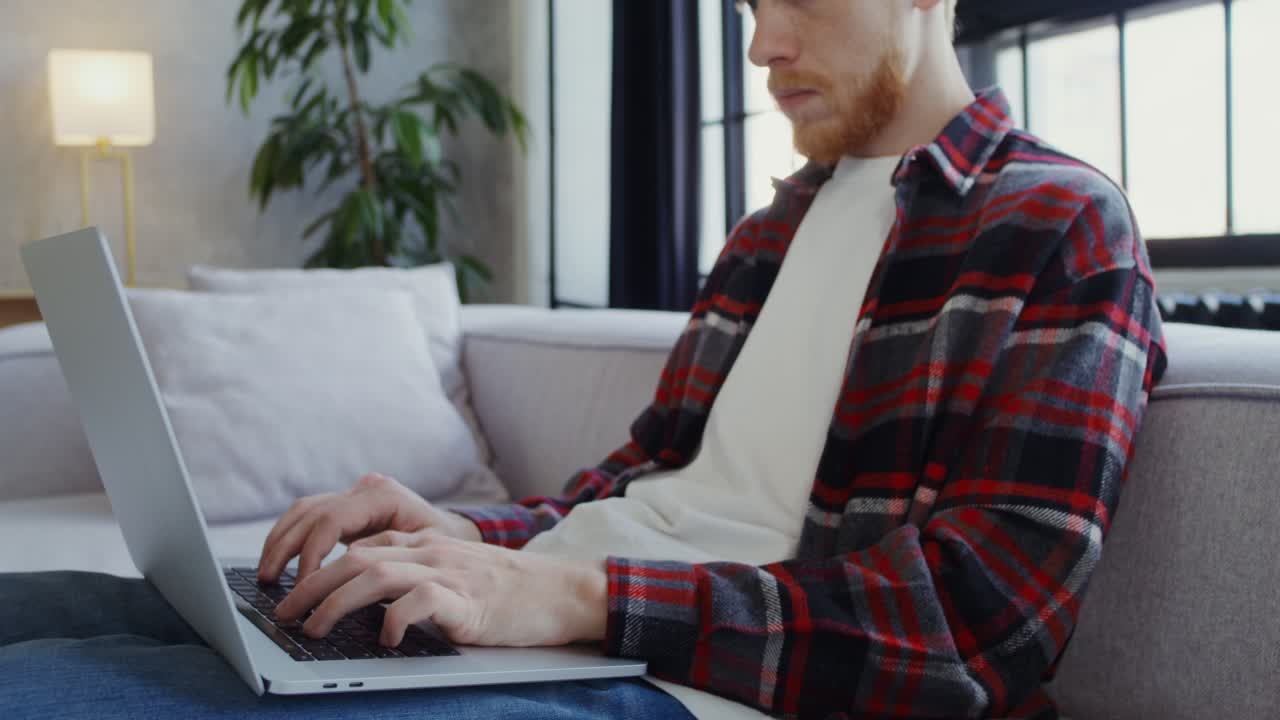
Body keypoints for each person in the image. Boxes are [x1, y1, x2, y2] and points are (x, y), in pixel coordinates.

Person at [0, 0, 1168, 718]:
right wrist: (468, 537)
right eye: (749, 3)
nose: (760, 43)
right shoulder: (768, 234)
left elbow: (975, 634)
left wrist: (568, 598)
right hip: (565, 625)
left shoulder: (1055, 225)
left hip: (678, 681)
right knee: (45, 609)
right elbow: (640, 488)